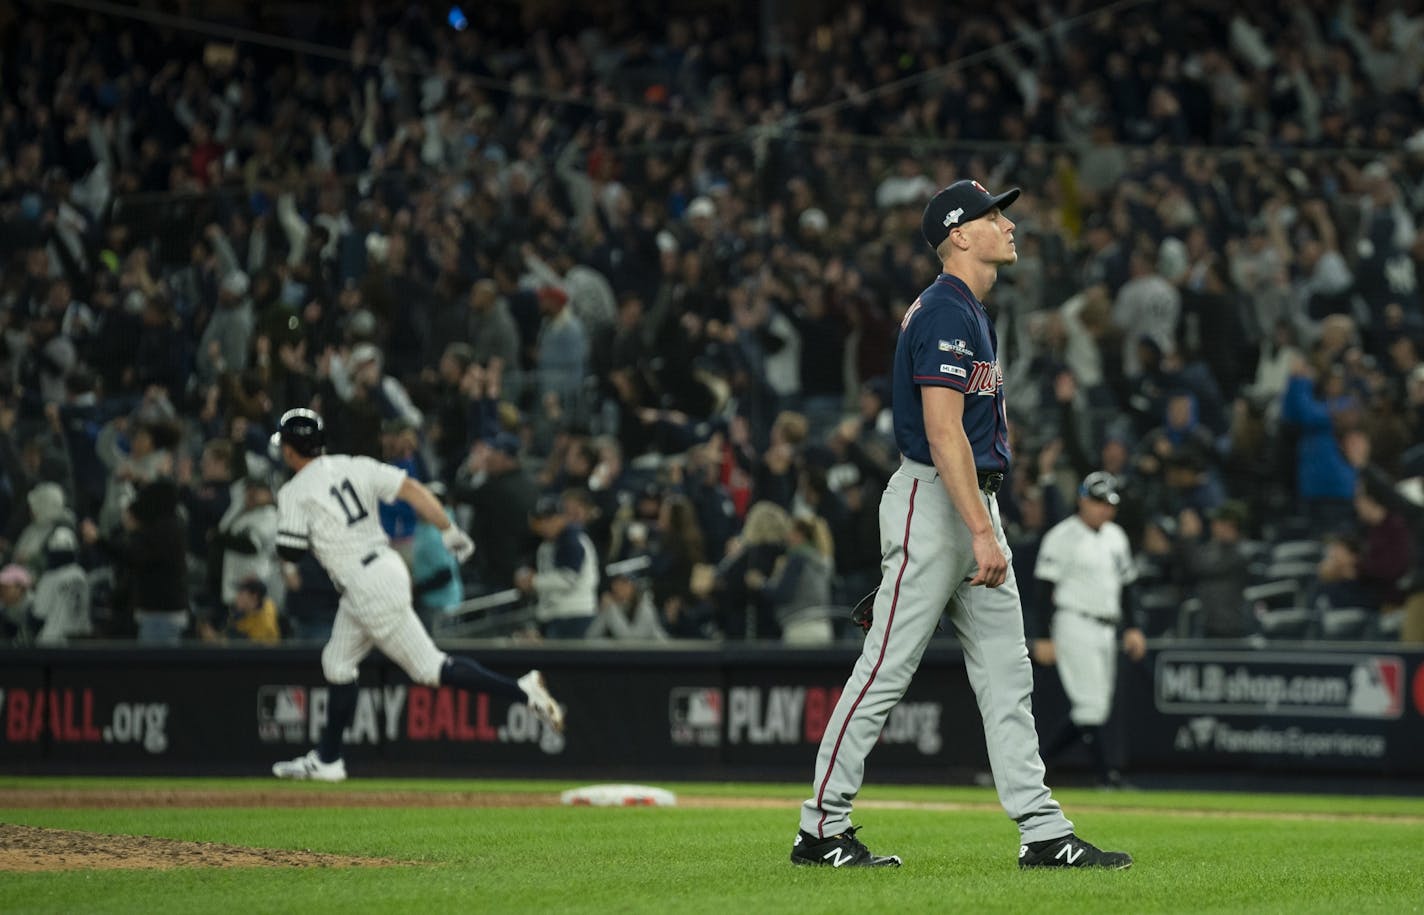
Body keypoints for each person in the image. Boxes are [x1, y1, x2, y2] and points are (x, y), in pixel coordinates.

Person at [792, 180, 1131, 870]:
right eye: (992, 215)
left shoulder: (970, 311)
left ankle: (1041, 828)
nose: (1007, 223)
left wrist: (983, 520)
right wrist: (981, 530)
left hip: (970, 502)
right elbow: (944, 432)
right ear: (959, 235)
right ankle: (820, 827)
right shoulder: (947, 310)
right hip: (938, 501)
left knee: (1008, 672)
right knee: (886, 667)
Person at [267, 408, 563, 782]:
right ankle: (327, 759)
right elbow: (412, 489)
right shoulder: (355, 464)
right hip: (385, 567)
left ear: (292, 450)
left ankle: (524, 692)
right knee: (337, 664)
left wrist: (299, 531)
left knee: (430, 668)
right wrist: (448, 528)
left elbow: (290, 550)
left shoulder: (294, 490)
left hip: (365, 584)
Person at [1031, 472, 1148, 787]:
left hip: (1108, 628)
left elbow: (1128, 586)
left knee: (1096, 706)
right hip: (1074, 622)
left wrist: (1133, 627)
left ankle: (1037, 766)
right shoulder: (1062, 535)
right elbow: (1043, 590)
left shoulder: (1116, 536)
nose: (1104, 510)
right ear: (1082, 499)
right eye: (1098, 502)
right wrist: (1042, 635)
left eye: (1109, 504)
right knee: (1090, 705)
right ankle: (1106, 775)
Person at [514, 494, 599, 640]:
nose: (544, 525)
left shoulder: (571, 540)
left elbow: (568, 579)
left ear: (562, 518)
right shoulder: (548, 543)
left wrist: (533, 581)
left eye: (549, 519)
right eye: (540, 520)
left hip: (573, 614)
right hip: (556, 613)